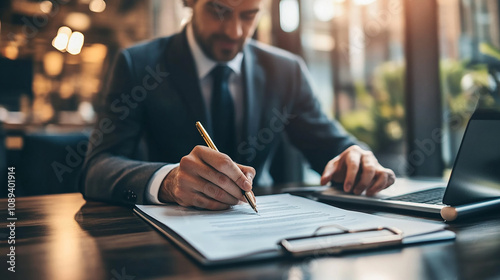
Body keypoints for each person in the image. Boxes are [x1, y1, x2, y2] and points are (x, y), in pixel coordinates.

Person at [80, 0, 396, 209]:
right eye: (219, 10)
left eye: (249, 15)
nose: (235, 31)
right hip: (168, 246)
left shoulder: (286, 70)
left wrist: (356, 158)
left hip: (265, 232)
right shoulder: (138, 65)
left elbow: (331, 148)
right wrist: (169, 182)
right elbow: (96, 168)